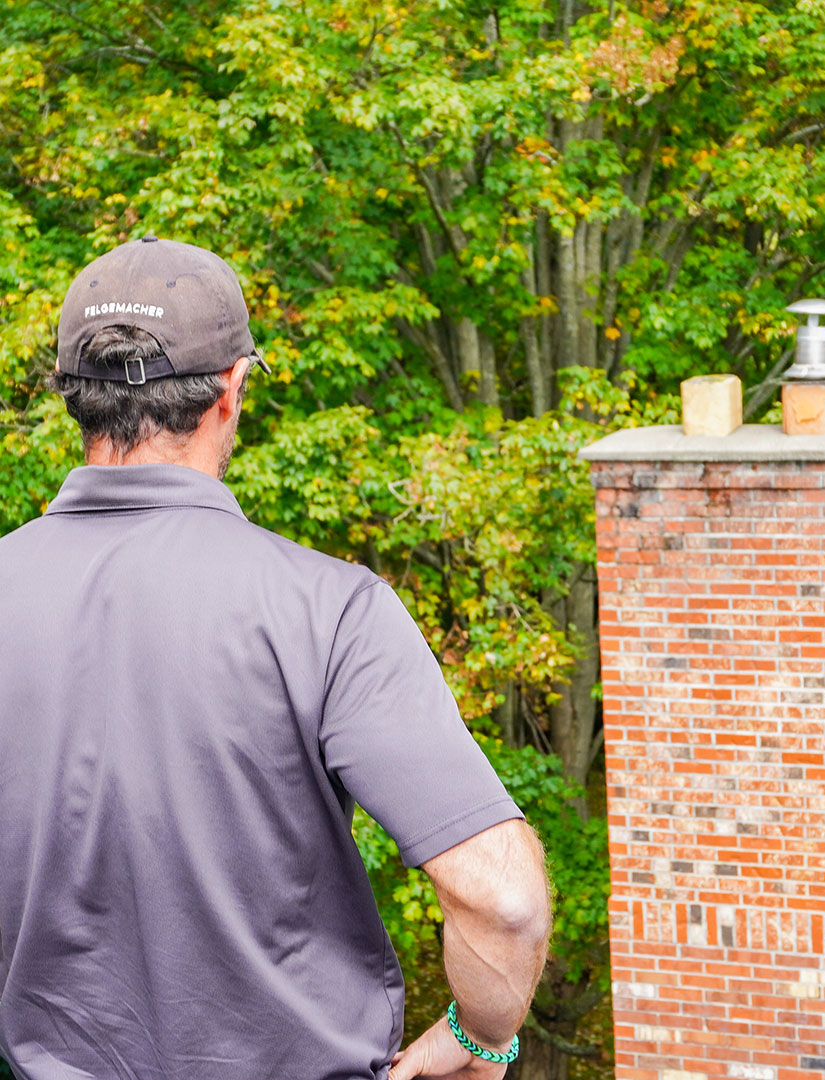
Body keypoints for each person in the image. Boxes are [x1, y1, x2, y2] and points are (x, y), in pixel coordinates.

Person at [0, 236, 551, 1080]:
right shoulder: (329, 611)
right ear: (233, 389)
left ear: (73, 396)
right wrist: (480, 1039)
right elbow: (503, 899)